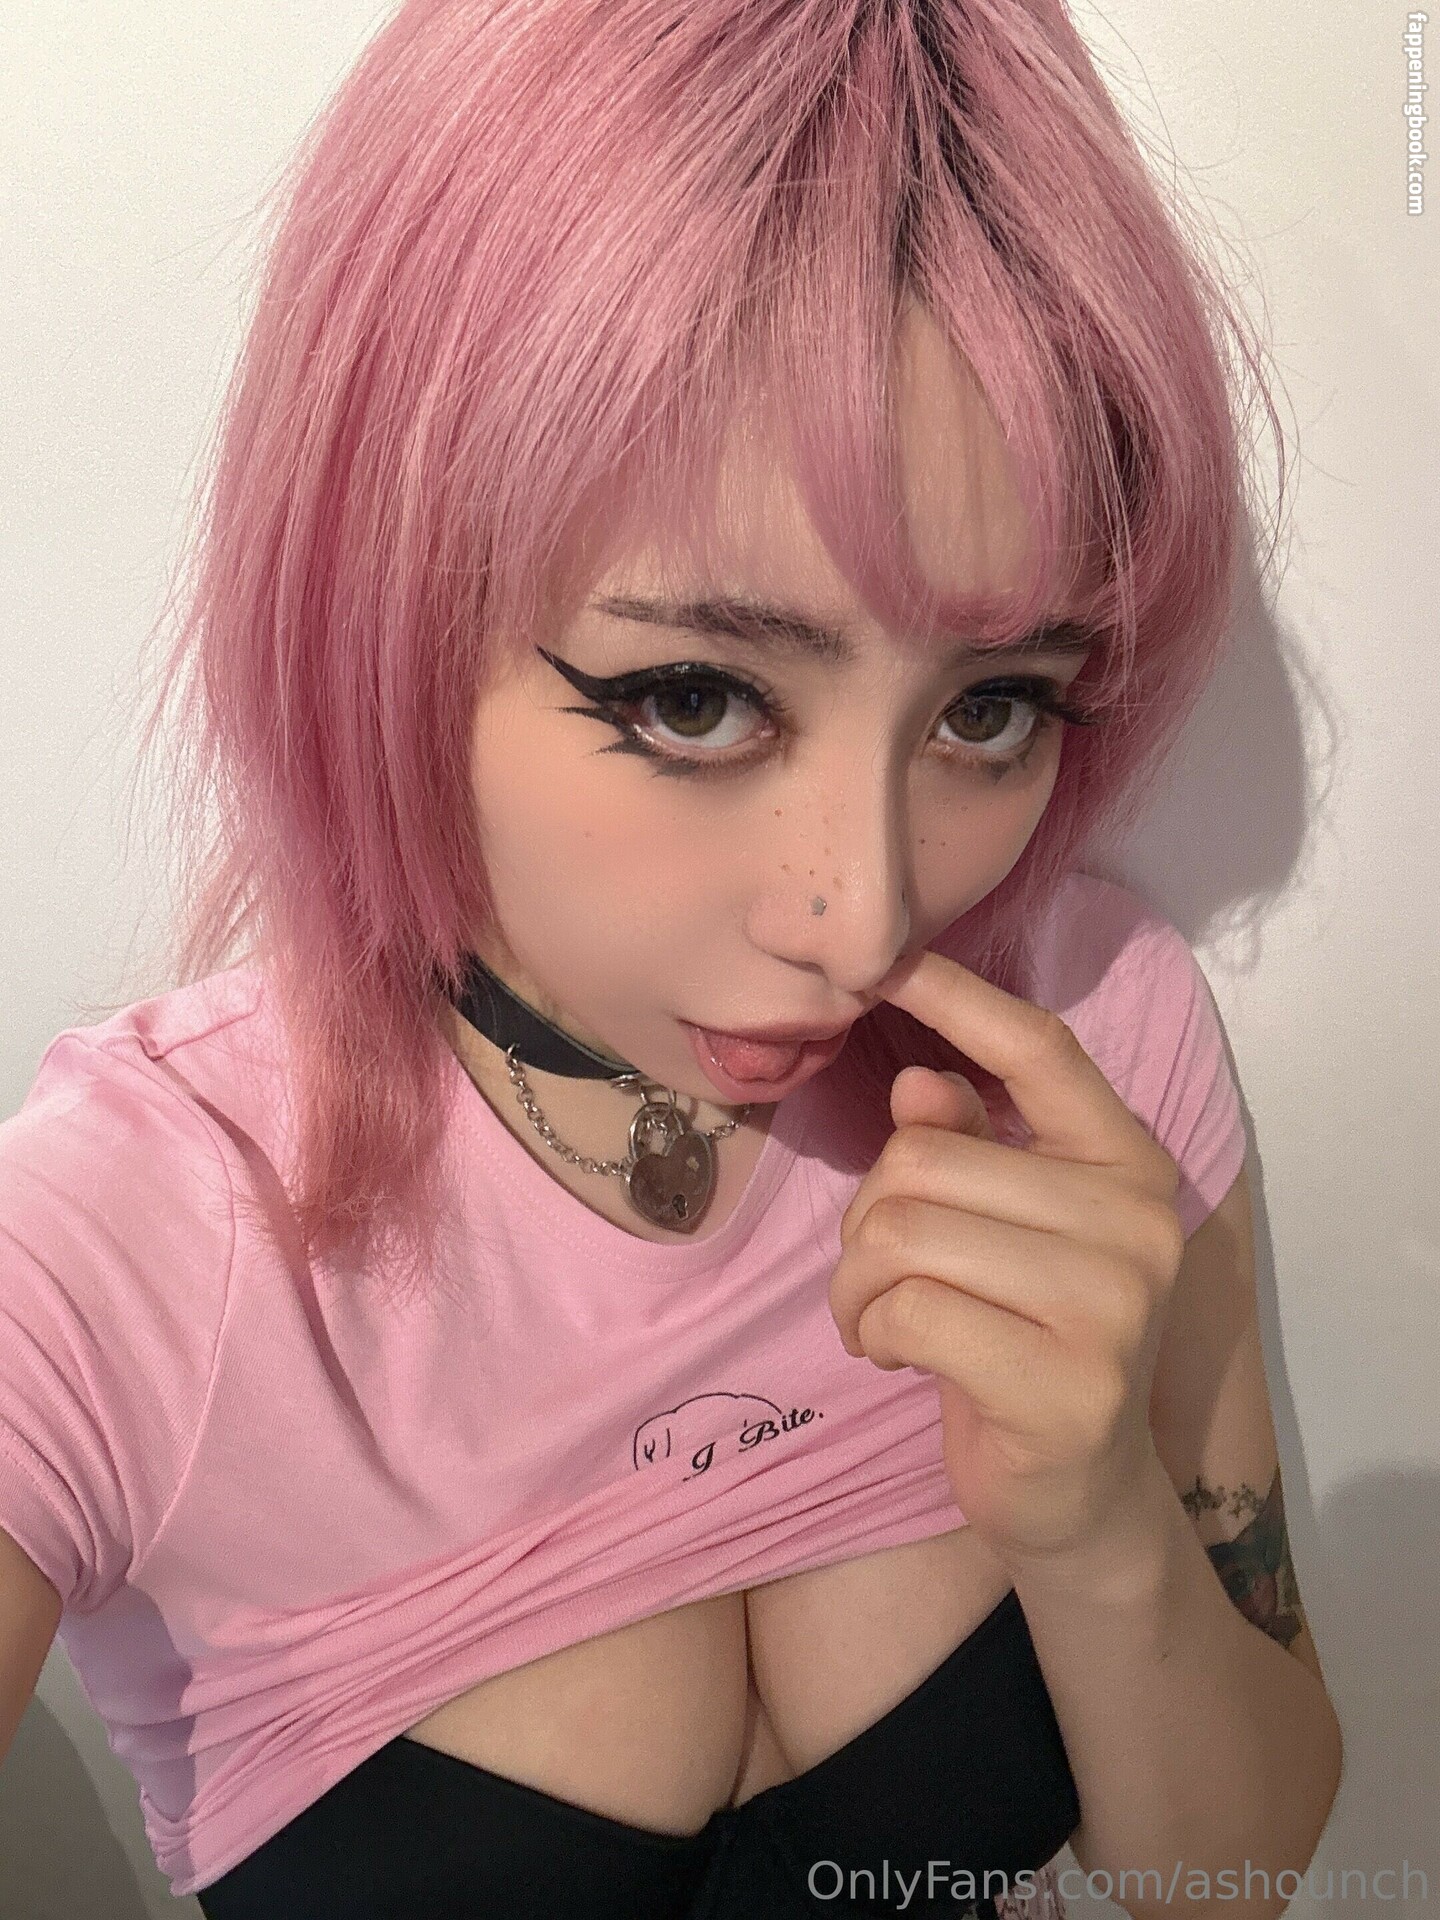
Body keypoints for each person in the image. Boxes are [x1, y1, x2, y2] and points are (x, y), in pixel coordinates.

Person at [0, 2, 1343, 1916]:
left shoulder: (1081, 1033)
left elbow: (1234, 1876)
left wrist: (1102, 1524)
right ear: (386, 603)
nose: (863, 919)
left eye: (989, 708)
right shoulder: (120, 1247)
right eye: (696, 698)